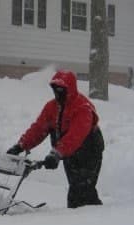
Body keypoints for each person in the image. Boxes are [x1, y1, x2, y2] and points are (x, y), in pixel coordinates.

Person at [6, 69, 104, 209]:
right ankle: (87, 217)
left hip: (89, 151)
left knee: (82, 189)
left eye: (61, 90)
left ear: (69, 89)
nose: (58, 93)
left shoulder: (82, 108)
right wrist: (21, 146)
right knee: (76, 188)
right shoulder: (52, 107)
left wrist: (56, 154)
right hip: (69, 153)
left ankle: (90, 219)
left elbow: (75, 136)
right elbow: (39, 129)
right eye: (55, 89)